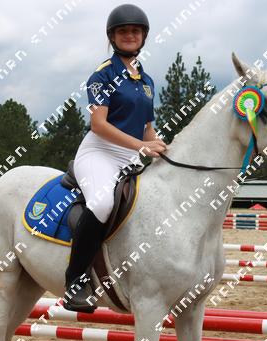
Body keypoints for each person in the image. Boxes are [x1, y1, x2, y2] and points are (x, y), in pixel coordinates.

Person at [63, 3, 167, 312]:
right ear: (112, 36)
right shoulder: (103, 74)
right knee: (101, 203)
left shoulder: (146, 81)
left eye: (135, 31)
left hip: (131, 155)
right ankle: (75, 280)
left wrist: (161, 147)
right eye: (123, 31)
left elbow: (147, 128)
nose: (129, 35)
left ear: (143, 36)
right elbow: (99, 124)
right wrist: (141, 146)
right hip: (100, 153)